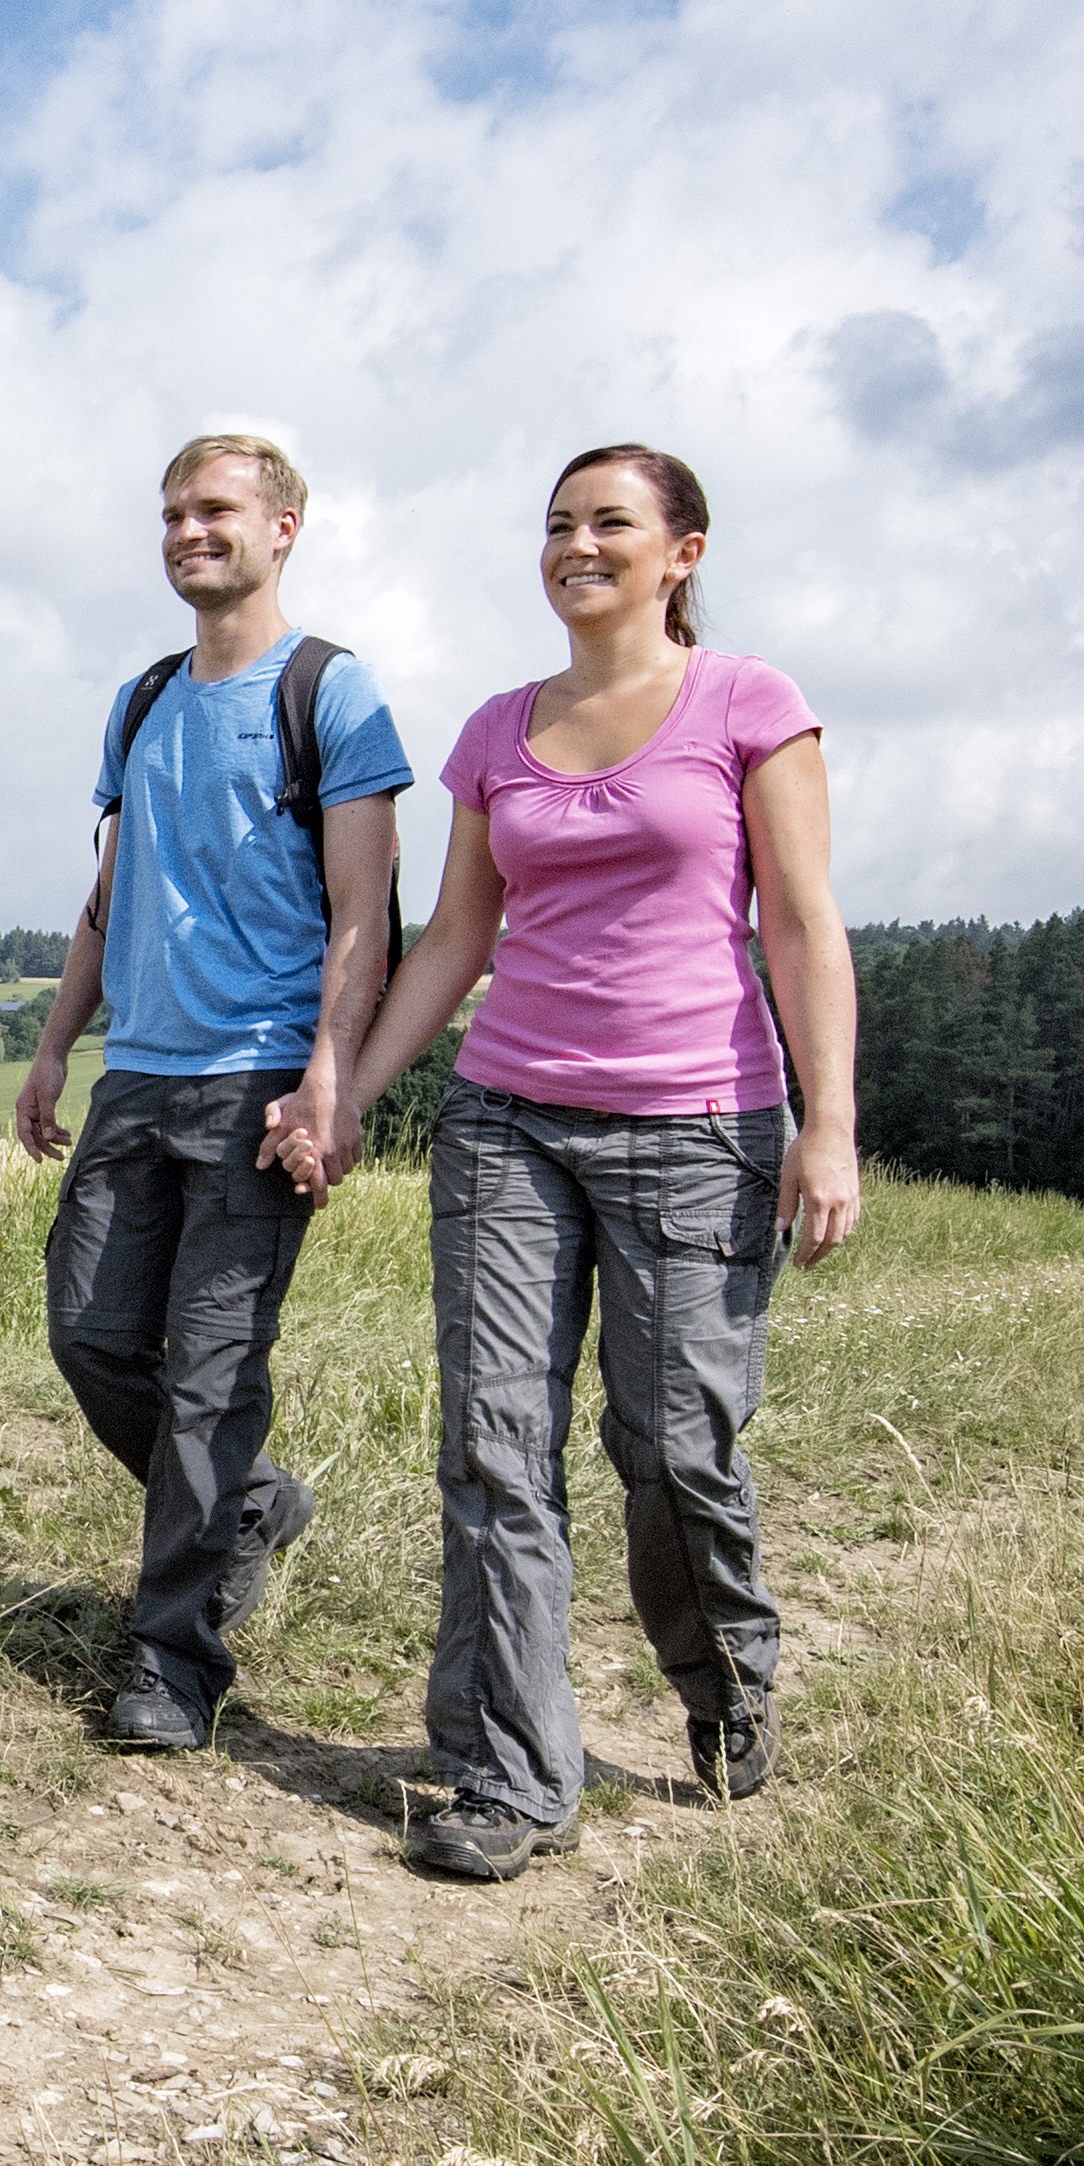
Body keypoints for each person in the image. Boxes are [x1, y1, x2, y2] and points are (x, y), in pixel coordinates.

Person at [277, 441, 860, 1882]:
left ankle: (725, 1673)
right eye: (556, 524)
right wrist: (343, 1088)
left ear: (684, 552)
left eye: (610, 522)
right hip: (506, 1125)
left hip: (695, 1126)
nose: (575, 545)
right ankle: (507, 1774)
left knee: (668, 1447)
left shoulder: (748, 706)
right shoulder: (496, 729)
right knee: (493, 1452)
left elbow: (798, 923)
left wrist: (826, 1120)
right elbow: (458, 940)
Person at [17, 433, 409, 1752]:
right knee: (89, 1335)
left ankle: (170, 1664)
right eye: (174, 512)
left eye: (218, 511)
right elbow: (108, 895)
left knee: (208, 1376)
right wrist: (55, 1043)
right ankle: (244, 1505)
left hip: (256, 1084)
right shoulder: (138, 704)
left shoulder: (331, 695)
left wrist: (327, 1078)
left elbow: (366, 916)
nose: (190, 531)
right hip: (140, 1075)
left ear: (283, 528)